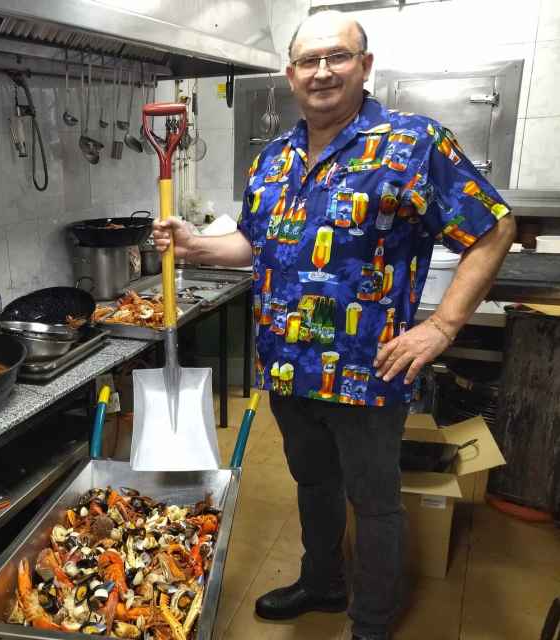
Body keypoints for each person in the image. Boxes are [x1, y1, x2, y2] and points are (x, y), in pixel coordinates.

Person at [152, 10, 516, 640]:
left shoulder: (412, 144)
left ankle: (371, 622)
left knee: (373, 502)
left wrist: (441, 327)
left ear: (364, 66)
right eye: (308, 60)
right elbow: (255, 243)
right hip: (287, 365)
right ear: (290, 74)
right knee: (313, 483)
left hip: (369, 370)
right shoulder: (273, 158)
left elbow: (494, 228)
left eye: (337, 57)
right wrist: (196, 244)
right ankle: (322, 583)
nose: (322, 71)